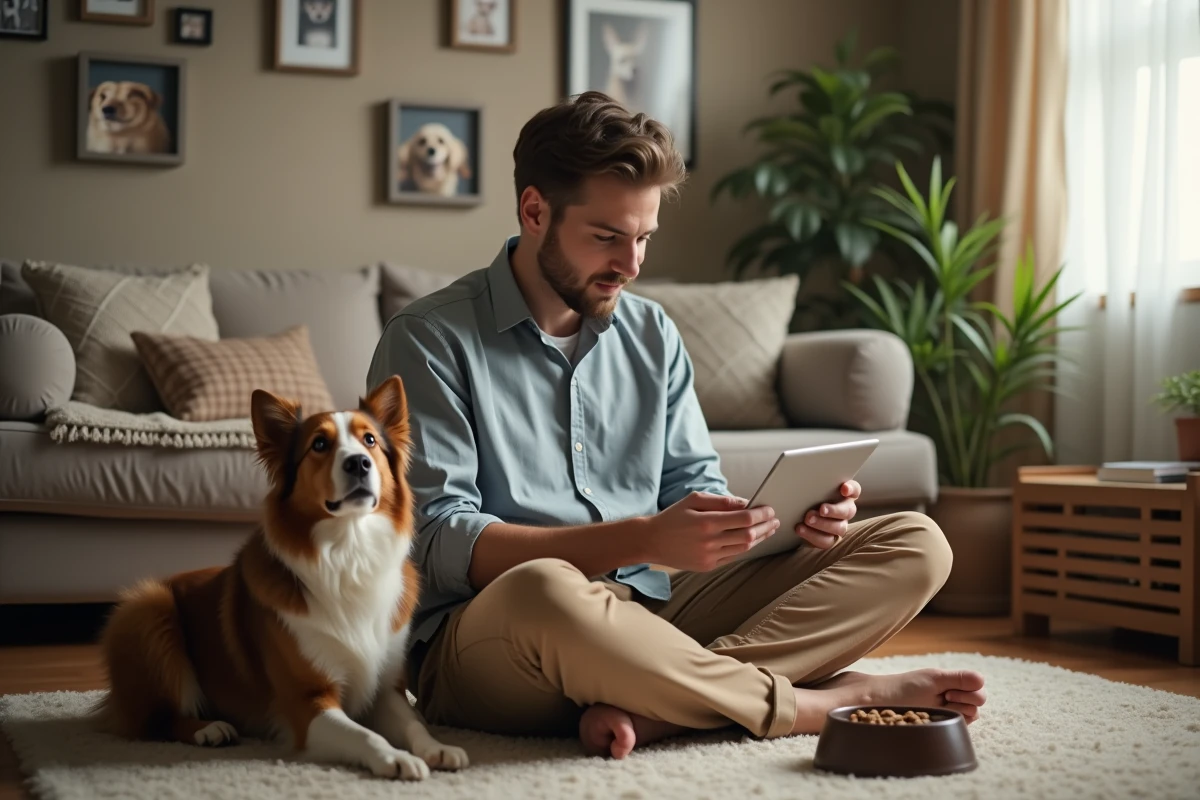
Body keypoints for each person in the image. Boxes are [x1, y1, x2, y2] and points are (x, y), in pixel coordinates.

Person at [365, 91, 986, 760]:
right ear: (535, 211)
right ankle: (825, 702)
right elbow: (436, 542)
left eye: (643, 238)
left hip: (654, 608)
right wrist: (641, 536)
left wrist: (780, 524)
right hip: (498, 636)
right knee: (545, 585)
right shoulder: (427, 339)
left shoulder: (652, 332)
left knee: (916, 543)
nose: (631, 265)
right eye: (606, 237)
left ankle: (665, 707)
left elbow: (694, 485)